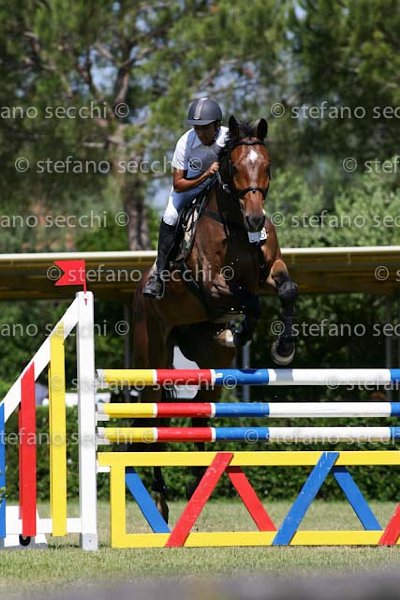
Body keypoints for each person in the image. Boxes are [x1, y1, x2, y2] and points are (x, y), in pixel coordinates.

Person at [143, 97, 228, 300]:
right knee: (170, 216)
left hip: (219, 186)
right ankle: (159, 275)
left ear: (217, 125)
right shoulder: (185, 142)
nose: (201, 133)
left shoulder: (228, 137)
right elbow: (178, 184)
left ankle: (257, 243)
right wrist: (205, 175)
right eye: (197, 128)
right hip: (190, 187)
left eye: (205, 127)